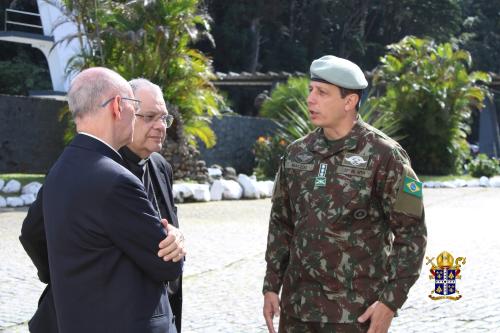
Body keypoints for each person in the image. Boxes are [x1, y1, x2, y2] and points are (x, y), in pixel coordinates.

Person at [262, 55, 427, 333]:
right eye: (311, 90)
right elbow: (281, 223)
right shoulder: (296, 153)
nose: (311, 99)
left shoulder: (386, 156)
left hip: (354, 316)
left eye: (322, 93)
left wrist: (390, 302)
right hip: (297, 312)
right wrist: (271, 285)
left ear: (349, 102)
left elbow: (412, 235)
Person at [20, 67, 182, 333]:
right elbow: (169, 265)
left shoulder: (65, 166)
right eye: (139, 108)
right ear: (119, 106)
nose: (160, 126)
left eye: (164, 118)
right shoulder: (116, 179)